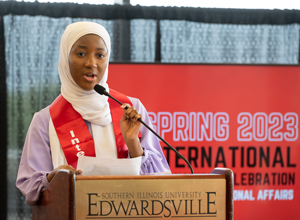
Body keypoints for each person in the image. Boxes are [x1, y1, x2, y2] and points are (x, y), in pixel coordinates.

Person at [16, 21, 171, 206]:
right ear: (66, 57)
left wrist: (132, 143)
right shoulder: (45, 120)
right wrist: (56, 178)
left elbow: (159, 178)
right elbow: (31, 188)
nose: (92, 63)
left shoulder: (130, 108)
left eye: (100, 55)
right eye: (81, 54)